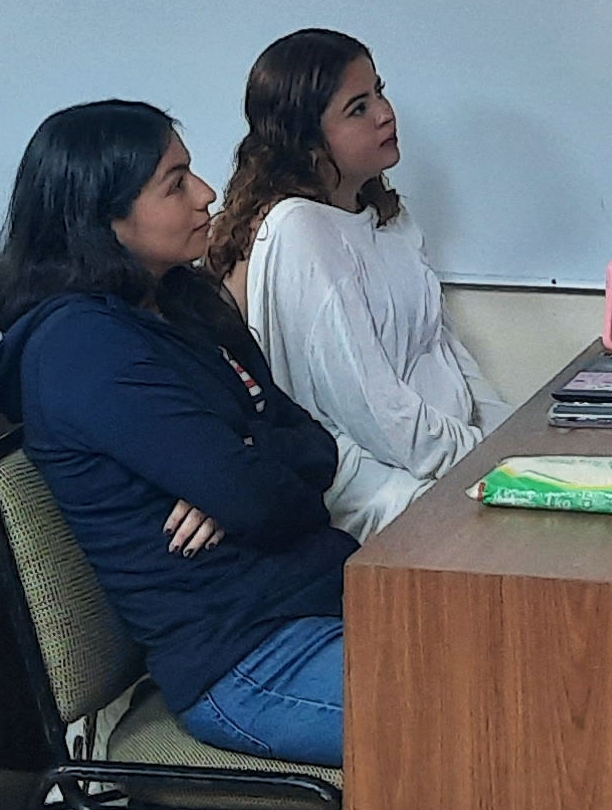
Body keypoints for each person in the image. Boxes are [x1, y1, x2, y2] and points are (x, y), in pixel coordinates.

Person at [0, 100, 351, 768]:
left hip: (317, 600)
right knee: (504, 720)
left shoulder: (183, 302)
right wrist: (242, 478)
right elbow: (269, 505)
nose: (207, 194)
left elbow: (315, 449)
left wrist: (242, 465)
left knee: (537, 673)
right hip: (248, 660)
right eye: (175, 183)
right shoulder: (83, 347)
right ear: (103, 219)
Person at [210, 29, 507, 540]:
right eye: (357, 108)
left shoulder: (388, 217)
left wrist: (509, 441)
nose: (385, 114)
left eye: (380, 92)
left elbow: (445, 351)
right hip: (377, 486)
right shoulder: (299, 229)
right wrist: (486, 464)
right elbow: (374, 412)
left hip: (445, 462)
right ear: (305, 140)